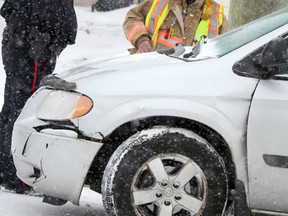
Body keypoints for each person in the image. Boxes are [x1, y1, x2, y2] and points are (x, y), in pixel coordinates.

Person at [0, 0, 77, 193]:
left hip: (21, 45)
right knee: (25, 112)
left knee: (12, 108)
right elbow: (65, 25)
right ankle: (17, 177)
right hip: (32, 49)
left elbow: (7, 9)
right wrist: (45, 39)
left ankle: (6, 171)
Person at [123, 0, 229, 53]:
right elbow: (132, 17)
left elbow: (226, 49)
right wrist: (141, 39)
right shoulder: (162, 2)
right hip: (149, 68)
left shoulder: (216, 15)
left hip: (187, 79)